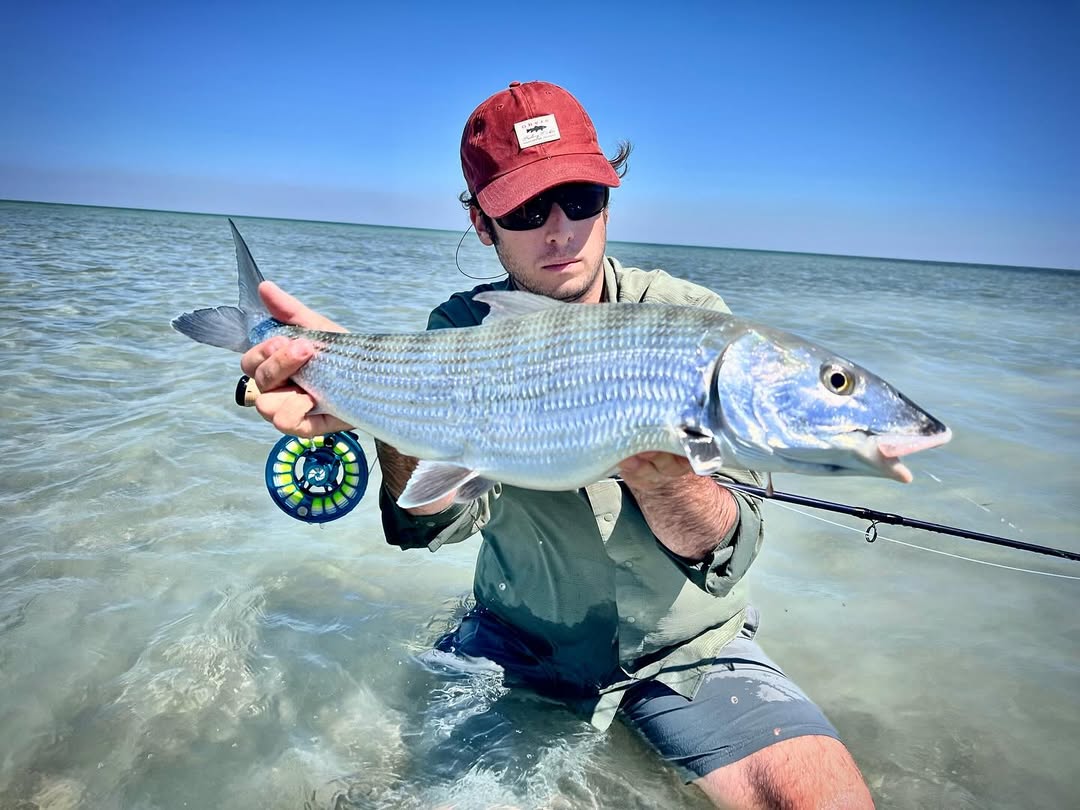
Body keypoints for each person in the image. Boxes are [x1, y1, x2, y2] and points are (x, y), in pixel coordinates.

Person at [241, 81, 874, 809]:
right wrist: (376, 408)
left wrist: (656, 470)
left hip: (688, 652)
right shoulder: (460, 327)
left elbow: (725, 551)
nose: (559, 231)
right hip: (516, 648)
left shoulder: (691, 322)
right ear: (483, 224)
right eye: (524, 208)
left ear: (609, 199)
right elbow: (429, 526)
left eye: (580, 199)